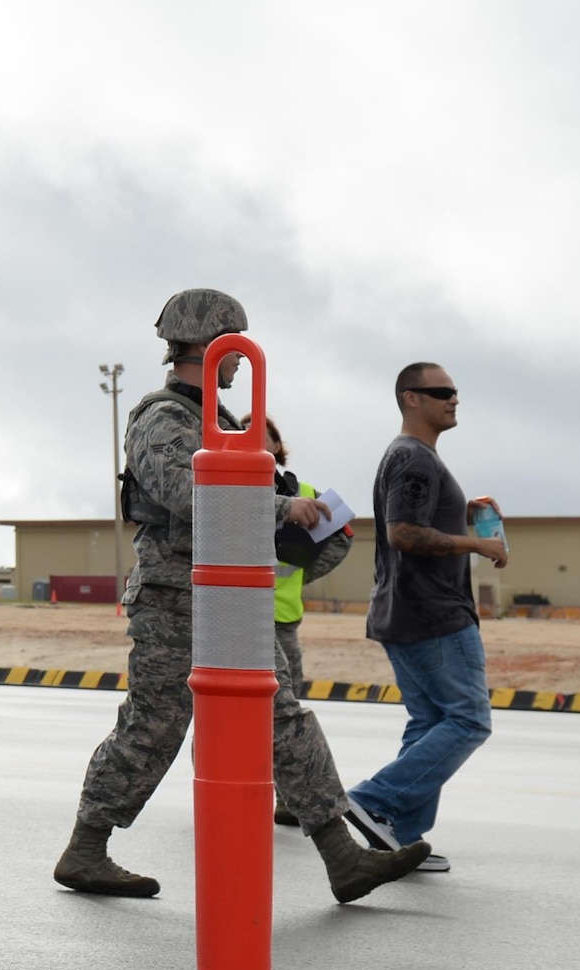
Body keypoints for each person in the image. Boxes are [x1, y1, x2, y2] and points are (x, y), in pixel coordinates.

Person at [54, 289, 430, 903]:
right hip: (176, 597)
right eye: (233, 346)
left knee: (281, 715)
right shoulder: (162, 417)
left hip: (233, 593)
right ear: (209, 343)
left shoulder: (226, 421)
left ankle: (342, 857)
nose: (240, 362)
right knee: (154, 724)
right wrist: (284, 505)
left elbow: (253, 506)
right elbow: (188, 493)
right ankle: (86, 848)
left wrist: (315, 532)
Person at [345, 363, 506, 874]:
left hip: (404, 611)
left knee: (431, 720)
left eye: (456, 391)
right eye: (442, 392)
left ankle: (399, 836)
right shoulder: (414, 458)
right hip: (433, 613)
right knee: (468, 720)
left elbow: (417, 520)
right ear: (411, 398)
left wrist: (465, 511)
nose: (453, 399)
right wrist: (476, 543)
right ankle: (374, 799)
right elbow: (404, 533)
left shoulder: (414, 458)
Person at [266, 416, 352, 827]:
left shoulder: (304, 493)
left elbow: (345, 533)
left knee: (286, 711)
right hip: (239, 617)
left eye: (264, 437)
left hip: (283, 620)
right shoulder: (233, 487)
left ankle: (287, 799)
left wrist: (303, 572)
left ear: (278, 445)